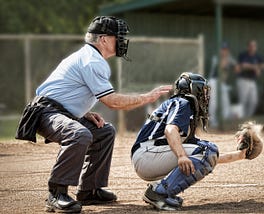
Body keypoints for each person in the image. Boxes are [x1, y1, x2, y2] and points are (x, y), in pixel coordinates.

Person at [15, 16, 171, 213]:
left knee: (104, 132)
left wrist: (83, 113)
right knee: (79, 134)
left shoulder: (90, 57)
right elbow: (112, 101)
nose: (122, 41)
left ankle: (89, 190)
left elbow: (66, 91)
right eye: (118, 37)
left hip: (58, 111)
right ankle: (56, 194)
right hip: (45, 112)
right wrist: (146, 98)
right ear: (103, 39)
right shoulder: (92, 60)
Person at [131, 72, 254, 211]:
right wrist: (182, 156)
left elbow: (206, 157)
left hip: (150, 155)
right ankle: (159, 193)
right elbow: (170, 130)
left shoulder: (182, 109)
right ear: (193, 90)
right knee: (207, 150)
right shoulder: (183, 102)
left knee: (206, 150)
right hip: (147, 155)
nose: (205, 96)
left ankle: (160, 191)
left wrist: (240, 155)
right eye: (202, 91)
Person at [208, 42, 239, 127]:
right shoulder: (216, 58)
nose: (224, 51)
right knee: (213, 103)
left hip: (222, 83)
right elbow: (222, 66)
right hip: (214, 81)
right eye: (223, 49)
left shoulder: (229, 58)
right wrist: (228, 59)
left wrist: (234, 64)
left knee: (226, 103)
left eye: (226, 49)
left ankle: (225, 121)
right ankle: (213, 122)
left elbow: (237, 69)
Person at [236, 40, 264, 117]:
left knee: (254, 102)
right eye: (251, 46)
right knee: (243, 102)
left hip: (252, 81)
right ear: (248, 47)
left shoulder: (257, 56)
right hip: (243, 80)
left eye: (254, 46)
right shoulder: (243, 55)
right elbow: (243, 65)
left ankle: (247, 118)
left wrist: (258, 68)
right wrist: (255, 67)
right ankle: (241, 119)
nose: (252, 48)